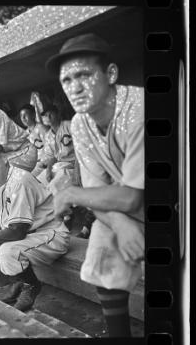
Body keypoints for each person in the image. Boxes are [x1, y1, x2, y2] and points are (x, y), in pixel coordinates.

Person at [46, 33, 144, 337]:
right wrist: (121, 225)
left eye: (84, 75)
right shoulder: (80, 122)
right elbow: (97, 194)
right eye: (67, 80)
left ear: (110, 74)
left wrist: (71, 193)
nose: (74, 87)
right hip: (127, 201)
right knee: (103, 248)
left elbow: (129, 199)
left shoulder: (140, 108)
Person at [0, 140, 70, 312]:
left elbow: (17, 230)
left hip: (50, 234)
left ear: (4, 159)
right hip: (27, 236)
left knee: (7, 251)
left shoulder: (20, 180)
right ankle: (19, 281)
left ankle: (31, 285)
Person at [34, 104, 77, 196]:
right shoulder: (48, 135)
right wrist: (49, 170)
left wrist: (77, 167)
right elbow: (52, 157)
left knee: (54, 185)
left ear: (57, 114)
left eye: (51, 114)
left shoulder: (69, 125)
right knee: (39, 183)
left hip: (73, 164)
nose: (48, 117)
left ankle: (68, 209)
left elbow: (81, 147)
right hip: (59, 165)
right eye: (46, 115)